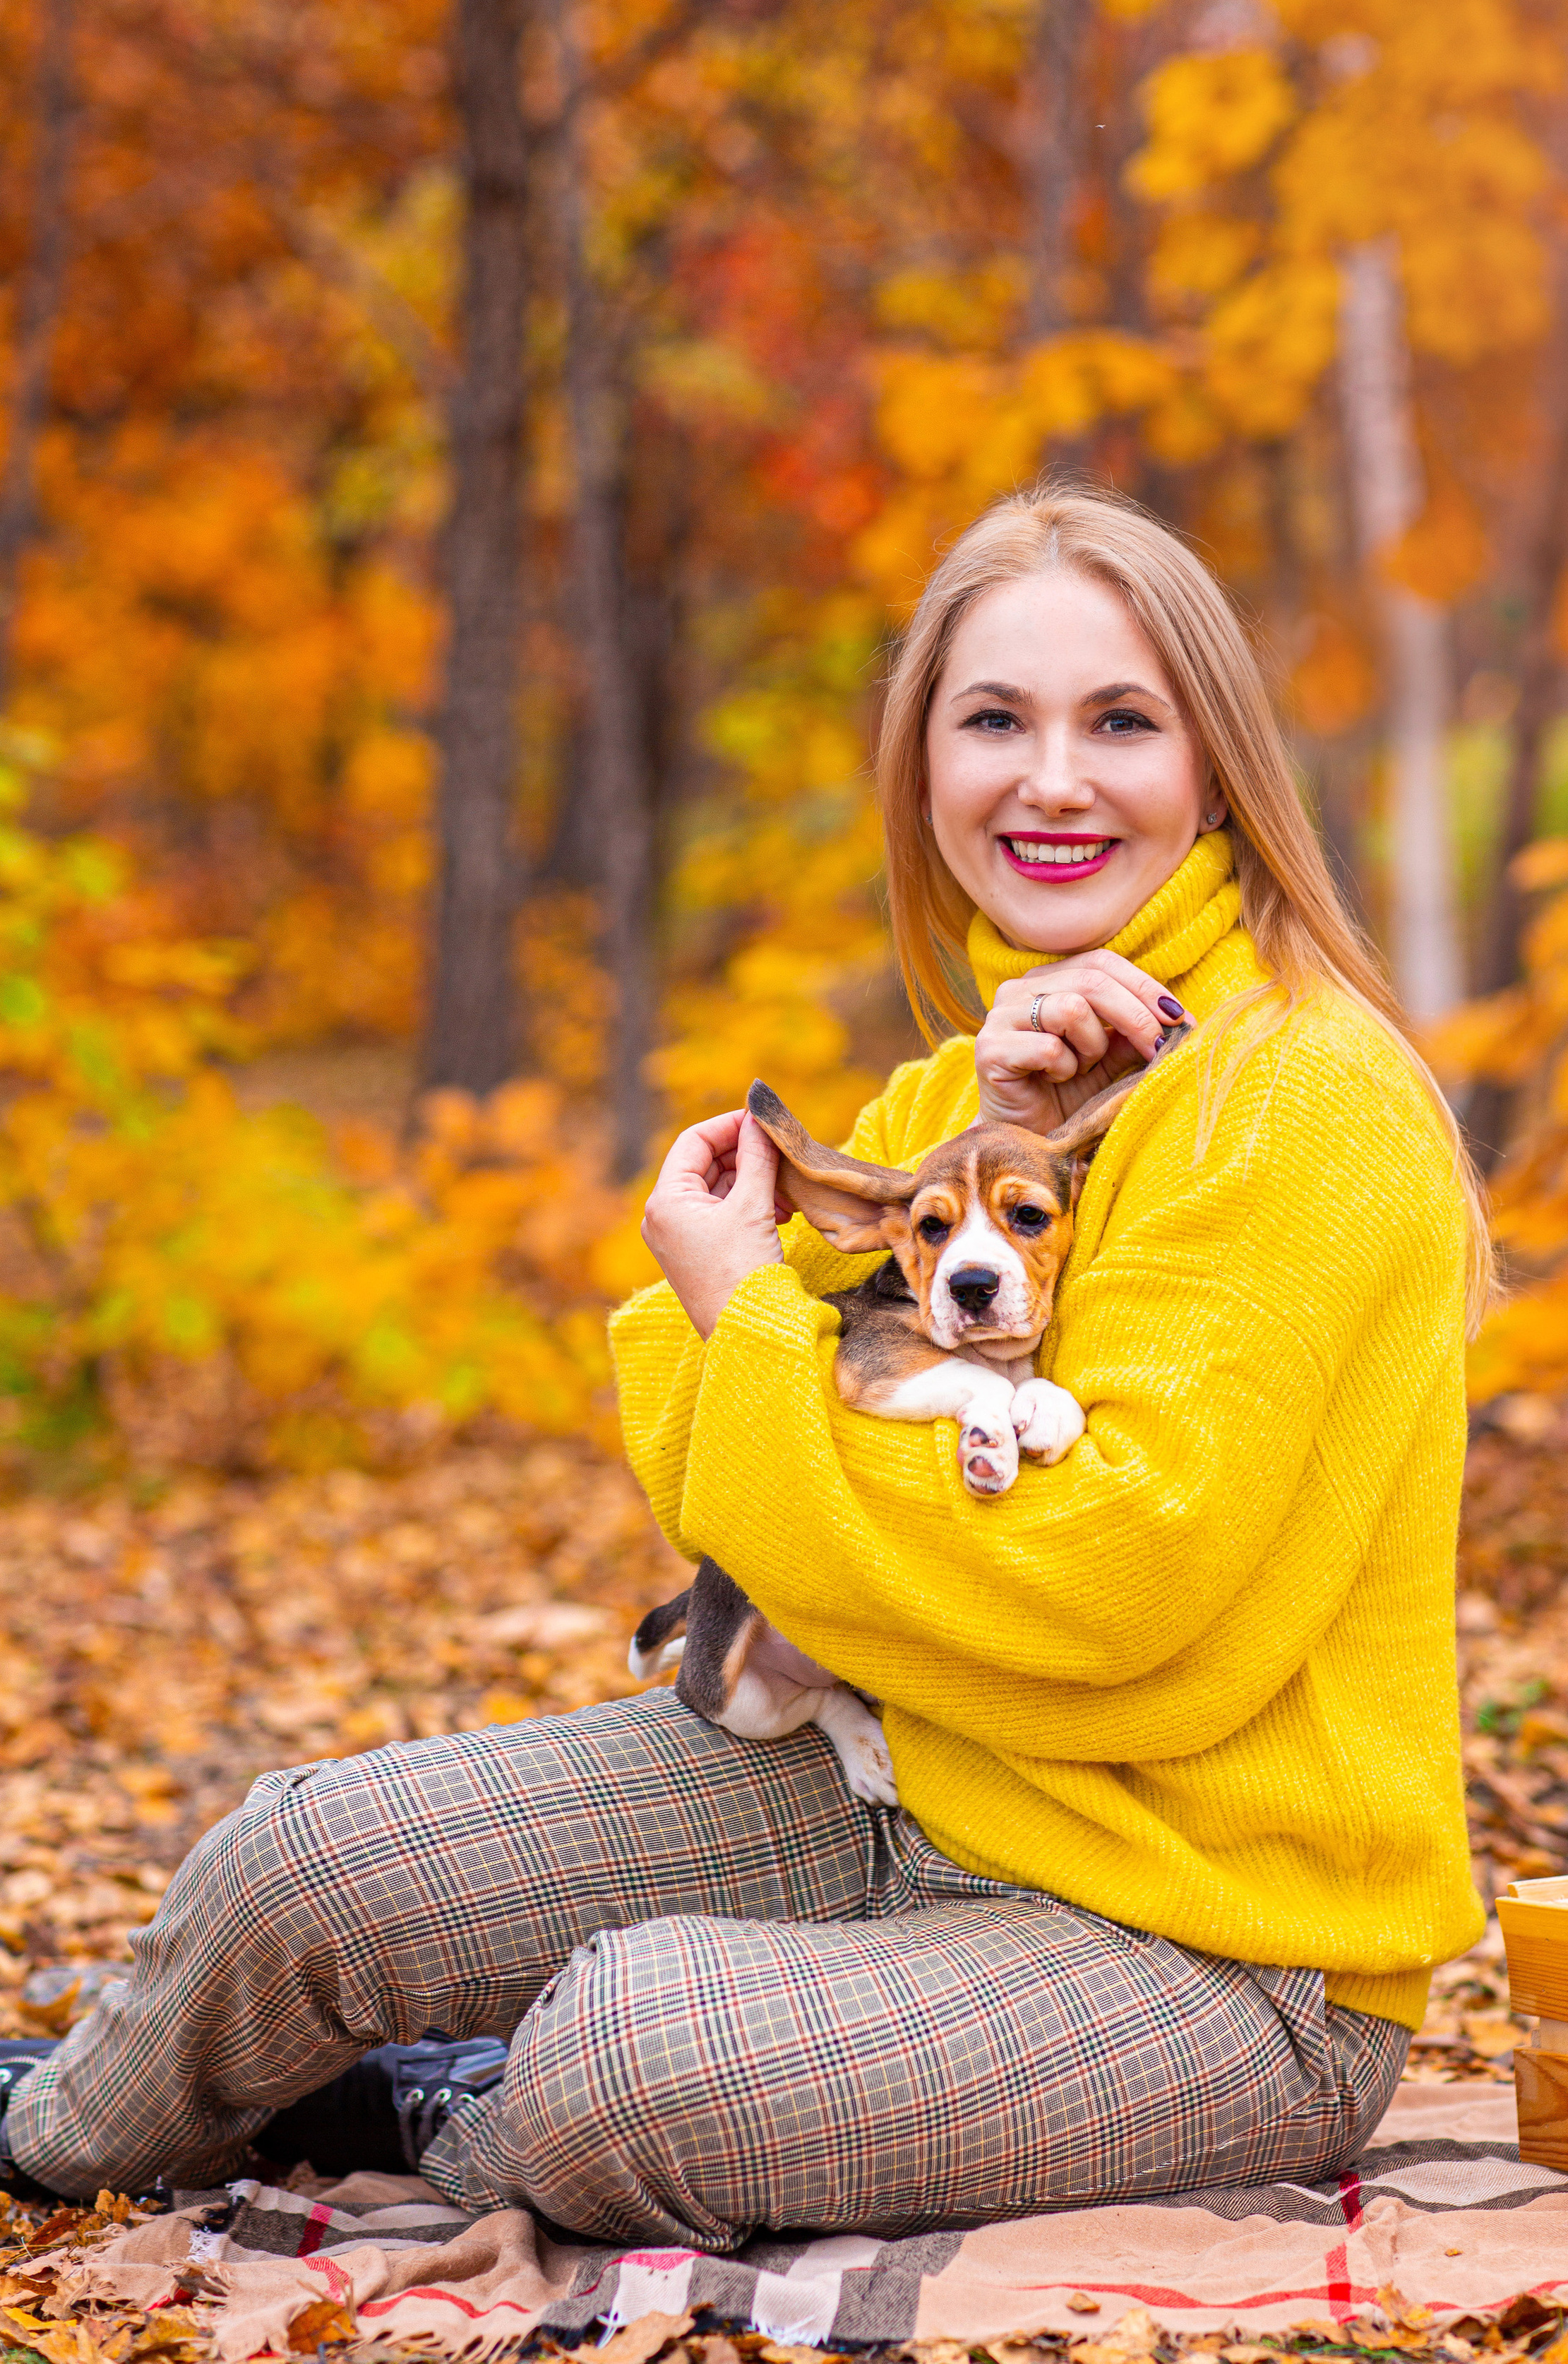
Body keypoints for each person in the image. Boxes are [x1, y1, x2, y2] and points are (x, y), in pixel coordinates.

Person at [0, 482, 1487, 2242]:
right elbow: (742, 1519)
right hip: (908, 1775)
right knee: (306, 1863)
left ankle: (442, 2109)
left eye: (1119, 723)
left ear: (1218, 765)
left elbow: (1112, 1576)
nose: (1050, 780)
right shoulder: (979, 1090)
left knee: (631, 2056)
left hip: (1220, 1947)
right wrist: (949, 1150)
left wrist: (751, 1305)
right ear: (919, 770)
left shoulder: (1298, 1095)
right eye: (990, 722)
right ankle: (52, 2136)